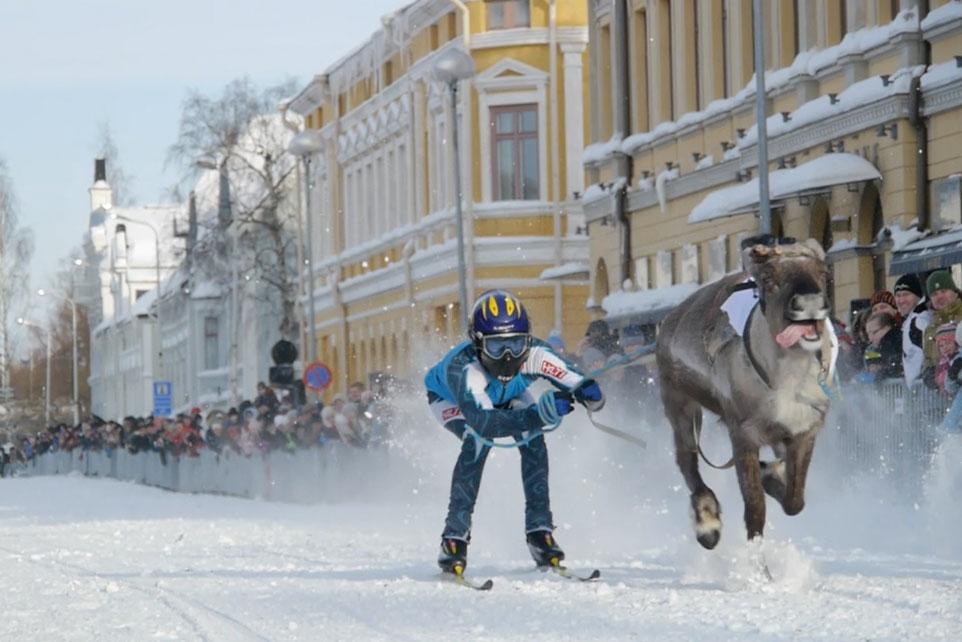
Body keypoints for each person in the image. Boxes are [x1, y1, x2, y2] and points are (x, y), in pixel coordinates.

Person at [424, 290, 604, 576]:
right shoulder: (465, 368)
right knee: (477, 442)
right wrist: (538, 414)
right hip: (452, 400)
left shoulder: (535, 353)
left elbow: (572, 378)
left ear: (528, 339)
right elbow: (484, 422)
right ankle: (454, 538)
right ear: (478, 342)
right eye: (497, 347)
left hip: (509, 395)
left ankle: (539, 531)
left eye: (516, 343)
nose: (508, 356)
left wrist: (588, 392)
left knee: (533, 439)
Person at [894, 273, 932, 388]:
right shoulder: (913, 319)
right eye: (898, 295)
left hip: (925, 393)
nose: (901, 300)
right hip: (920, 391)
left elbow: (928, 354)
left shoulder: (919, 320)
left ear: (918, 296)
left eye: (906, 294)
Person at [922, 270, 962, 370]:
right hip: (941, 384)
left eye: (944, 291)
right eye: (934, 294)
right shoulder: (930, 330)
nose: (940, 297)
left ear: (955, 293)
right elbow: (927, 360)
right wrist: (928, 371)